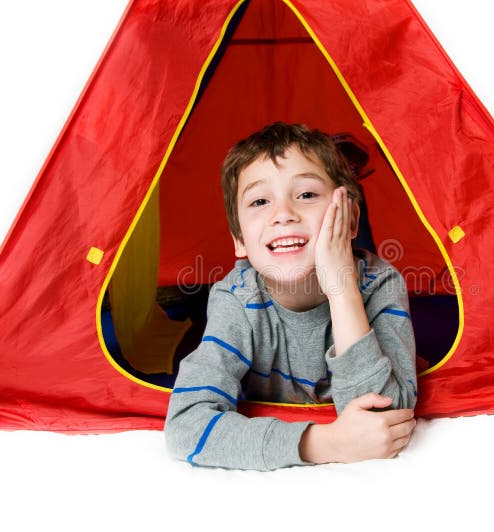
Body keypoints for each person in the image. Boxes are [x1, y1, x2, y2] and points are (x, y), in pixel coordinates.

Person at [165, 122, 417, 470]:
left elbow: (385, 422)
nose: (283, 214)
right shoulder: (236, 299)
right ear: (239, 240)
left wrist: (342, 289)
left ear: (351, 218)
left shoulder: (381, 284)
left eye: (306, 195)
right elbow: (185, 426)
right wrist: (324, 443)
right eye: (259, 201)